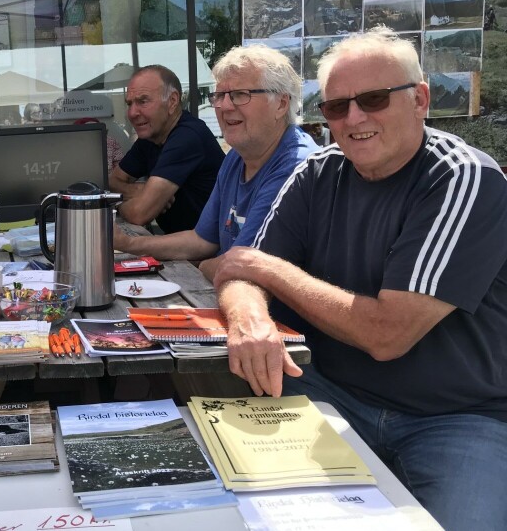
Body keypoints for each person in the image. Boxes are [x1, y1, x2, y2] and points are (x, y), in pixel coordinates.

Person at [213, 28, 507, 530]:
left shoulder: (462, 178)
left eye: (372, 100)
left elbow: (387, 334)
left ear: (420, 99)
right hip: (333, 393)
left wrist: (265, 268)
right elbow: (236, 275)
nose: (353, 119)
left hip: (457, 416)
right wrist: (250, 320)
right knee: (231, 507)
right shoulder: (318, 173)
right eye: (335, 107)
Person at [114, 46, 318, 282]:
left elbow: (238, 266)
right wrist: (128, 243)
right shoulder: (236, 158)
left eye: (241, 94)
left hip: (267, 316)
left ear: (281, 104)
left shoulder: (295, 166)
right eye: (220, 95)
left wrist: (201, 266)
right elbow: (202, 240)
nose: (225, 106)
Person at [110, 65, 224, 234]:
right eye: (129, 103)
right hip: (181, 245)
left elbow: (139, 213)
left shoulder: (187, 136)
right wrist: (139, 191)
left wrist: (117, 205)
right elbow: (112, 182)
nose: (132, 112)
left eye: (143, 101)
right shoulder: (151, 135)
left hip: (210, 252)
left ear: (172, 101)